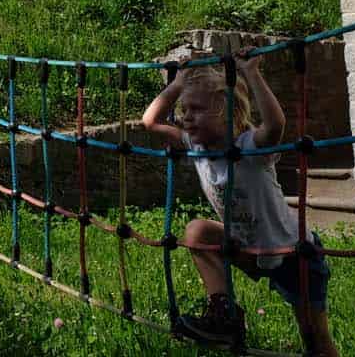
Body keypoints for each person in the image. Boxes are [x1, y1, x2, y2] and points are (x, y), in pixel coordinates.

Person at [142, 53, 339, 357]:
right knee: (197, 231)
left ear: (226, 111)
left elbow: (275, 125)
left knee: (316, 343)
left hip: (292, 254)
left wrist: (251, 74)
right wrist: (178, 85)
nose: (186, 117)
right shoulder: (195, 147)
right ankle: (225, 314)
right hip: (247, 249)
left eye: (196, 109)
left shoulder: (249, 147)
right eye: (184, 109)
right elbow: (150, 122)